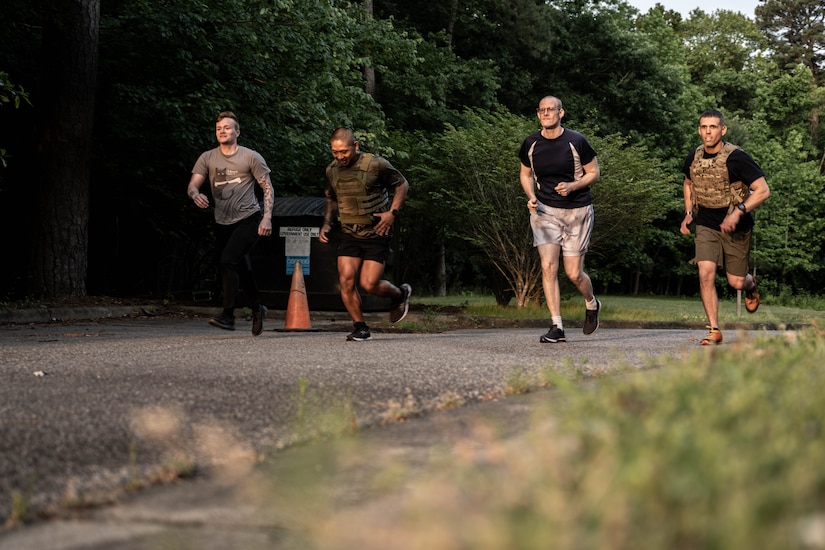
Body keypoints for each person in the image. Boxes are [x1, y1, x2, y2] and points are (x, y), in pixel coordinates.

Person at [680, 109, 770, 345]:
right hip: (707, 224)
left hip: (736, 225)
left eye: (712, 127)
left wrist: (738, 213)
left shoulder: (737, 158)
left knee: (736, 282)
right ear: (699, 129)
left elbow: (763, 190)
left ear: (723, 130)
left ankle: (751, 285)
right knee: (705, 273)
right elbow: (688, 184)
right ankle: (714, 330)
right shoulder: (693, 157)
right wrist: (689, 213)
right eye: (703, 127)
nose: (708, 132)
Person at [519, 95, 601, 343]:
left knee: (574, 274)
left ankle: (592, 302)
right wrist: (531, 196)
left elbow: (594, 173)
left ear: (561, 113)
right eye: (542, 110)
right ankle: (557, 326)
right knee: (548, 267)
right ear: (538, 114)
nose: (546, 114)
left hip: (577, 211)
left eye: (551, 110)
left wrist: (573, 186)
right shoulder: (531, 143)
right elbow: (525, 174)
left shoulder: (577, 141)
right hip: (545, 211)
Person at [318, 127, 411, 341]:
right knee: (347, 281)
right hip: (349, 231)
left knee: (369, 284)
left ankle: (399, 294)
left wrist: (392, 214)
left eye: (344, 151)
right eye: (335, 152)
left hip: (377, 230)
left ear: (356, 146)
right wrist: (326, 223)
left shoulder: (376, 165)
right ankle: (360, 326)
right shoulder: (331, 170)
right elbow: (331, 198)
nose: (340, 156)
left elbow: (402, 184)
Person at [187, 111, 274, 336]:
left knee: (227, 261)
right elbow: (193, 185)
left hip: (249, 217)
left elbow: (267, 187)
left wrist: (266, 217)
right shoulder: (207, 158)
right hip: (222, 221)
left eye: (227, 128)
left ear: (237, 132)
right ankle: (257, 307)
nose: (222, 131)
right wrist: (195, 194)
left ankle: (228, 315)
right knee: (240, 267)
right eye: (219, 128)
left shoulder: (250, 157)